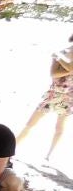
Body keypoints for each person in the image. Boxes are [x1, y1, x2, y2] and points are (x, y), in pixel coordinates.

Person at [17, 33, 72, 164]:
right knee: (31, 123)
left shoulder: (61, 55)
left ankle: (49, 155)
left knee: (59, 128)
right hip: (53, 93)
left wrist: (66, 66)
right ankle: (14, 146)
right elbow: (53, 73)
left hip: (69, 96)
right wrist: (70, 69)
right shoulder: (62, 53)